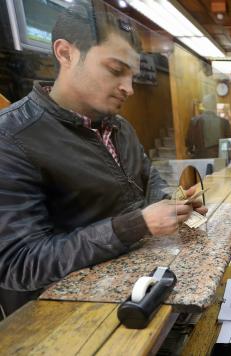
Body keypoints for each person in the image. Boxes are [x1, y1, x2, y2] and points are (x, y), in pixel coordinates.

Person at [0, 3, 207, 317]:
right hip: (59, 320)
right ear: (65, 53)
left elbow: (149, 184)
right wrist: (135, 225)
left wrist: (176, 206)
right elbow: (20, 263)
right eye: (115, 70)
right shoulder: (11, 136)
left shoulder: (119, 127)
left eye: (132, 76)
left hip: (132, 295)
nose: (129, 88)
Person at [185, 93, 231, 158]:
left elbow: (188, 142)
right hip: (220, 159)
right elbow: (229, 142)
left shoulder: (194, 120)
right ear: (215, 105)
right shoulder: (224, 122)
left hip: (200, 159)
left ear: (203, 105)